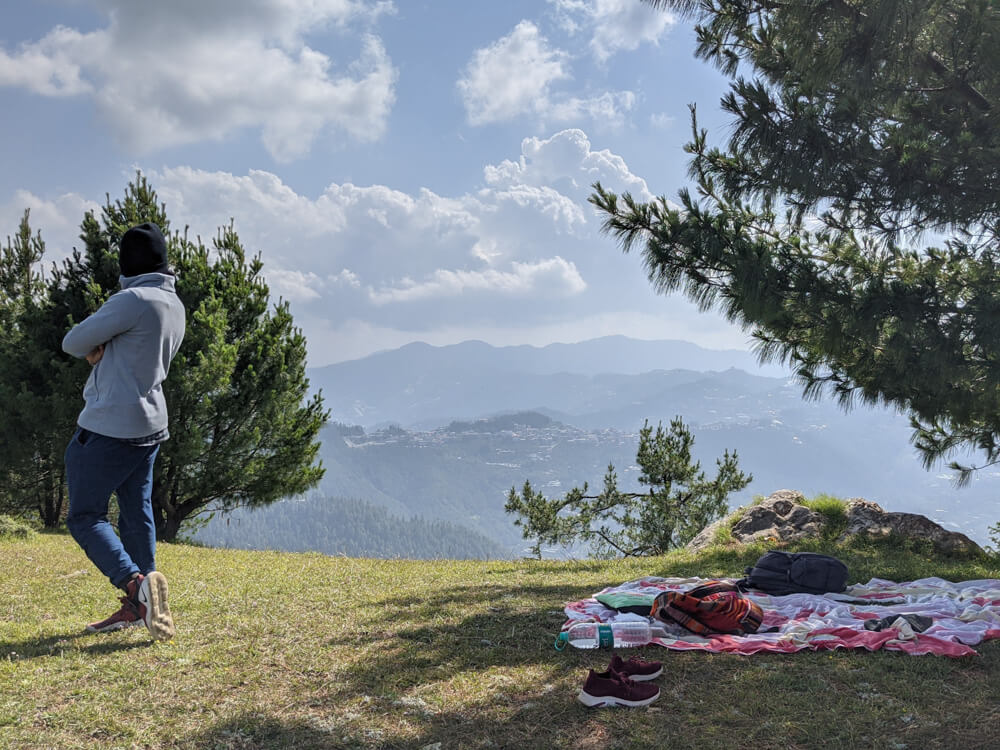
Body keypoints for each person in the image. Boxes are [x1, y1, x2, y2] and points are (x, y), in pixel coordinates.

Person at [62, 222, 186, 640]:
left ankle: (135, 586)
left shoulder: (131, 299)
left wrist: (98, 352)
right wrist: (108, 353)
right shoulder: (173, 304)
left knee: (84, 516)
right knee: (137, 511)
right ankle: (142, 605)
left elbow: (73, 341)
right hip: (150, 424)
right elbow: (138, 356)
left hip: (108, 425)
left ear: (126, 264)